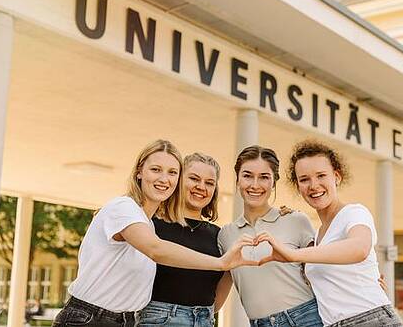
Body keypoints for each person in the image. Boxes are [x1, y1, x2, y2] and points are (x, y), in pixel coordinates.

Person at [52, 140, 258, 327]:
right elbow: (156, 249)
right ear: (139, 171)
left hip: (126, 320)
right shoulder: (123, 207)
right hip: (90, 318)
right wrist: (221, 262)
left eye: (172, 172)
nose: (163, 179)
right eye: (156, 170)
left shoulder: (147, 223)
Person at [256, 139, 403, 327]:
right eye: (304, 179)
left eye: (321, 175)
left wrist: (293, 254)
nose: (313, 185)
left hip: (369, 320)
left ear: (336, 177)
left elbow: (359, 247)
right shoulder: (318, 236)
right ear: (298, 186)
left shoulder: (354, 213)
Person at [218, 145, 323, 327]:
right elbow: (217, 294)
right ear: (237, 180)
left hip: (307, 319)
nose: (255, 185)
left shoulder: (296, 220)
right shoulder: (225, 235)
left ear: (274, 182)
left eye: (264, 177)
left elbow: (323, 273)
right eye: (247, 175)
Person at [139, 152, 229, 327]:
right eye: (194, 179)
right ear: (179, 180)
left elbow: (217, 299)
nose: (201, 187)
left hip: (204, 320)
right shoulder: (151, 225)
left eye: (209, 183)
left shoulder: (220, 235)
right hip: (157, 320)